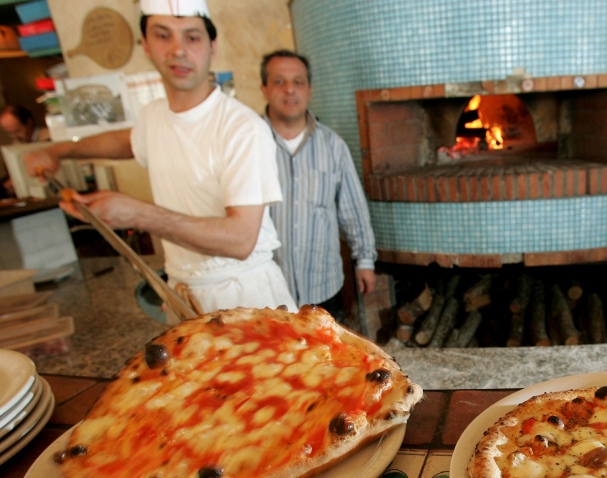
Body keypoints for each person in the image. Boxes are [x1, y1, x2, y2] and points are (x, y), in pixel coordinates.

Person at [23, 0, 296, 321]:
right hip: (183, 293)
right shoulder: (153, 116)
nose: (178, 50)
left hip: (246, 298)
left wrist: (138, 214)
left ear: (213, 46)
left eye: (192, 38)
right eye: (163, 35)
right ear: (146, 46)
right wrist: (59, 151)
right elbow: (128, 141)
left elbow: (240, 240)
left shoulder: (242, 127)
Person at [260, 49, 377, 320]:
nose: (290, 90)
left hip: (323, 286)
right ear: (264, 89)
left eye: (298, 82)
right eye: (279, 81)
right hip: (267, 290)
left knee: (324, 360)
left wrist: (365, 262)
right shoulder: (247, 143)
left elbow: (353, 210)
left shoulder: (332, 145)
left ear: (309, 89)